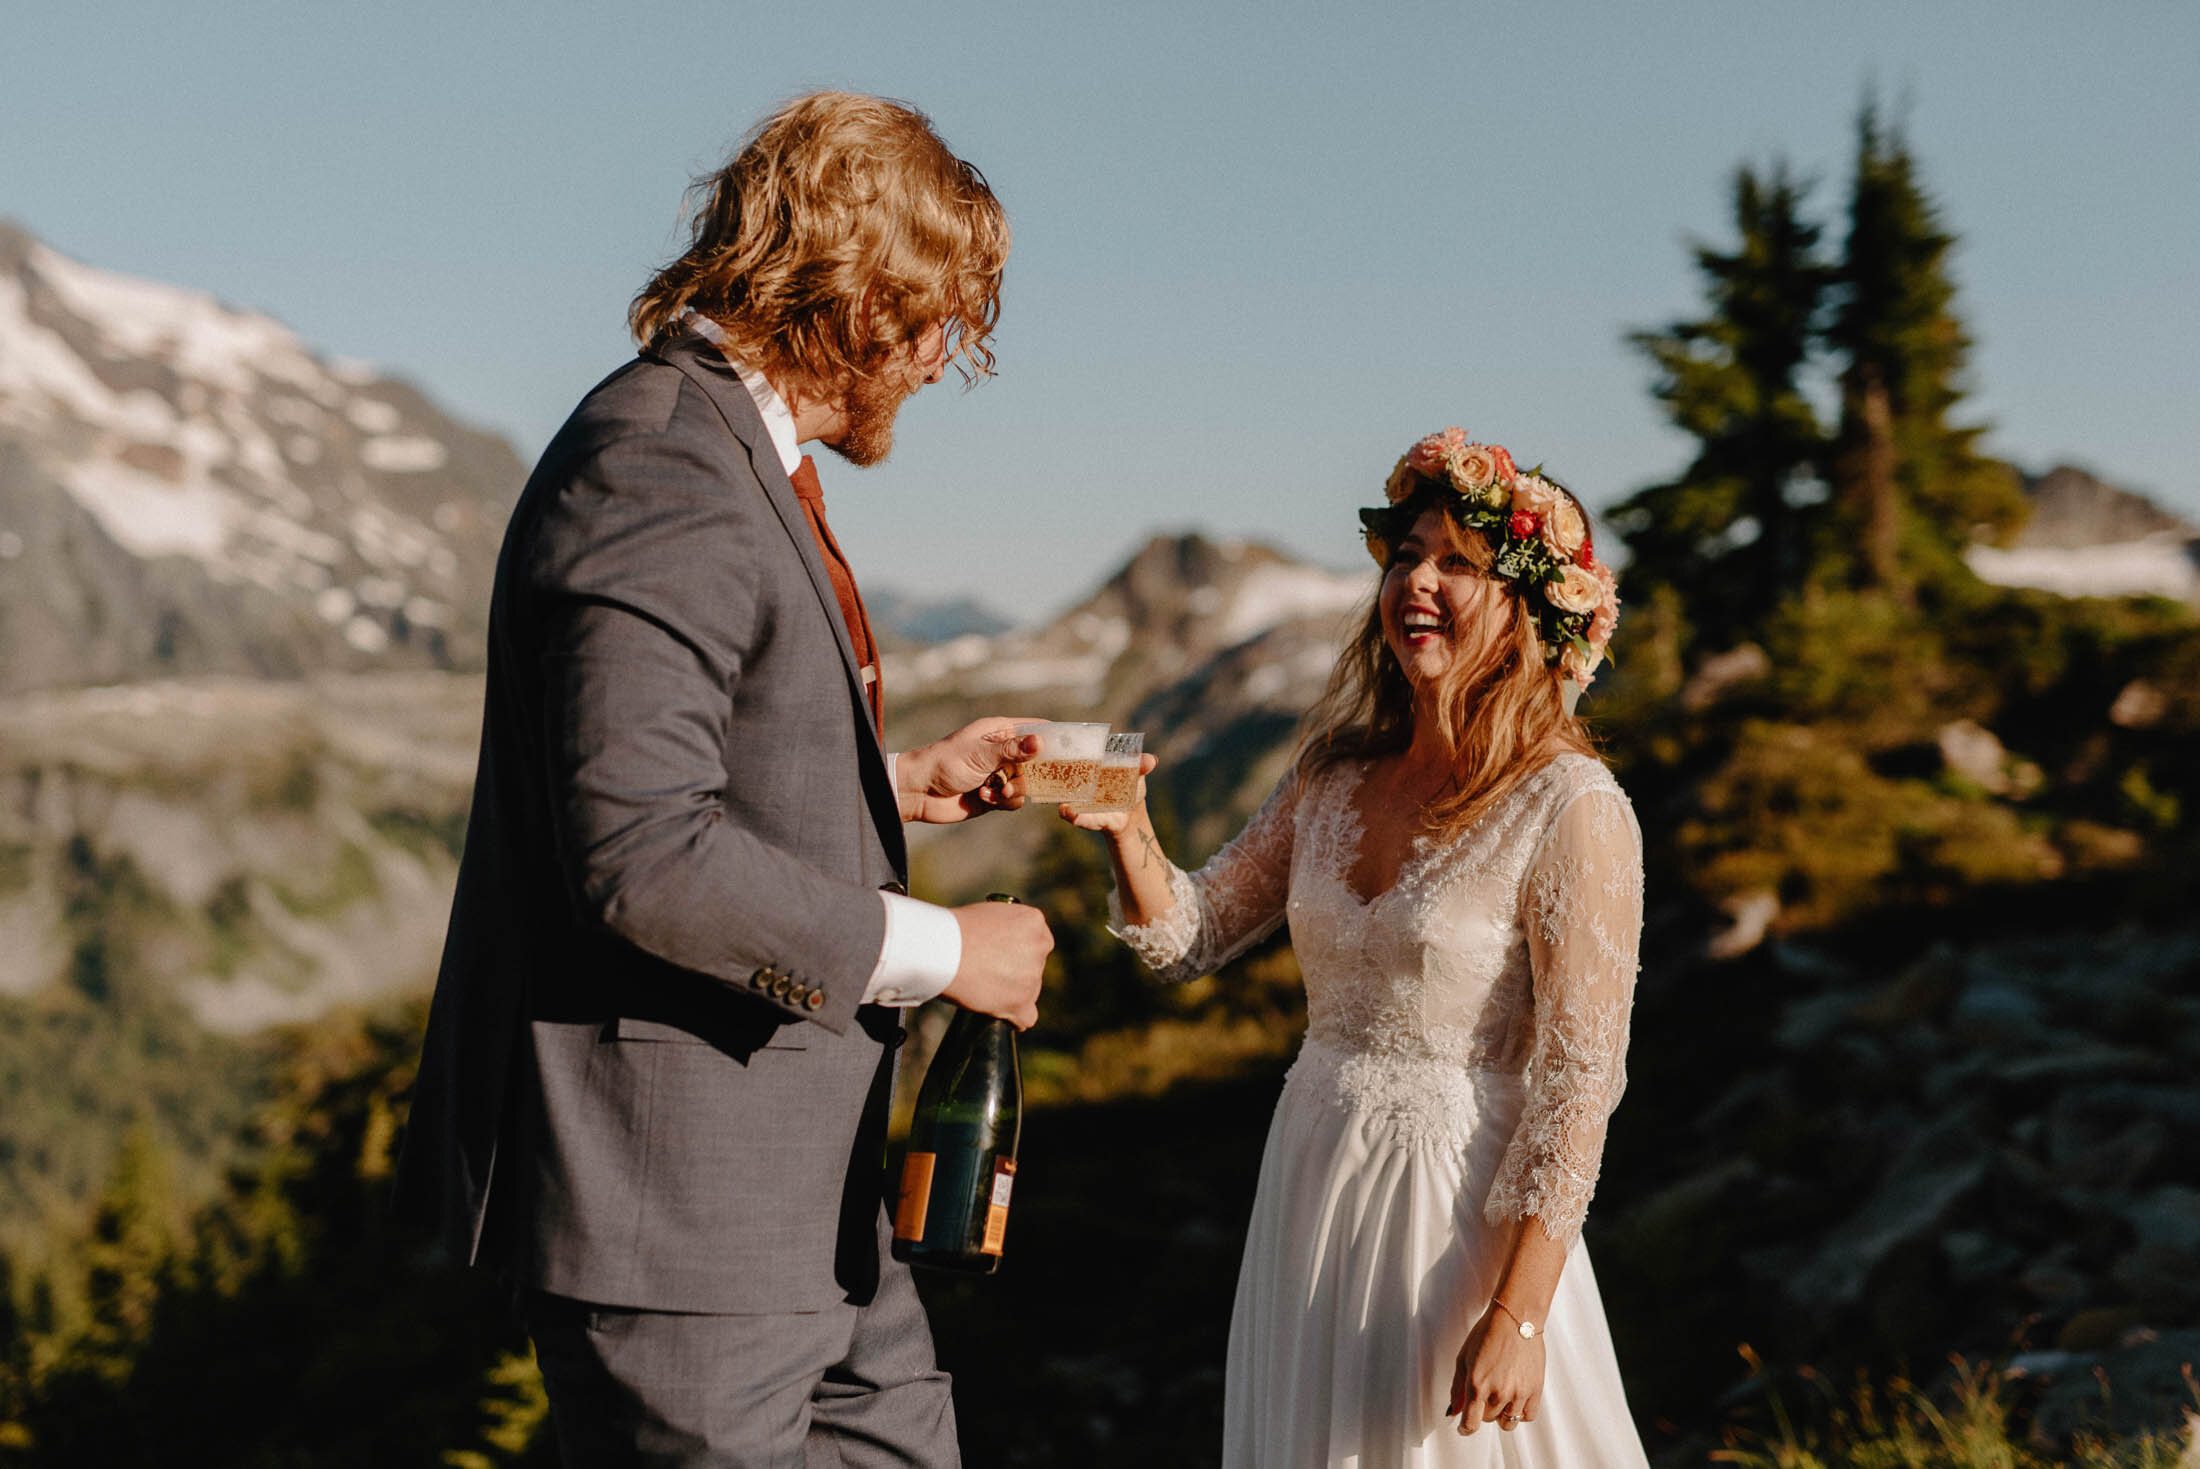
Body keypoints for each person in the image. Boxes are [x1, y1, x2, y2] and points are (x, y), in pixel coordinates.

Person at [394, 91, 1053, 1467]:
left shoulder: (729, 457)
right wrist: (947, 952)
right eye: (938, 322)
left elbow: (692, 765)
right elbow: (638, 854)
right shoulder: (661, 462)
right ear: (857, 298)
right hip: (679, 1225)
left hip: (805, 1208)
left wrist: (896, 778)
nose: (941, 361)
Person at [1064, 427, 1648, 1465]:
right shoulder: (1332, 776)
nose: (1416, 581)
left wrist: (1518, 1314)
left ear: (1526, 611)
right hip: (1310, 1174)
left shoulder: (1572, 804)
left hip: (1457, 1211)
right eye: (1407, 554)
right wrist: (1124, 826)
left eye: (1458, 564)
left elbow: (1576, 1081)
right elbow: (1187, 939)